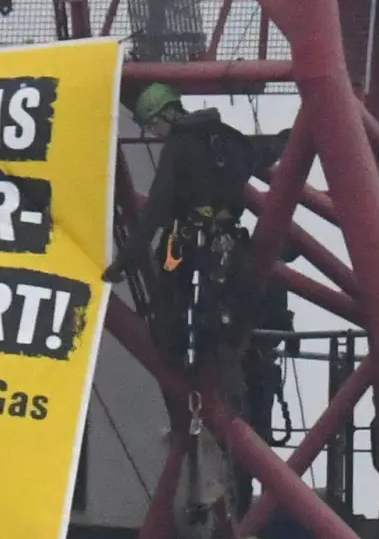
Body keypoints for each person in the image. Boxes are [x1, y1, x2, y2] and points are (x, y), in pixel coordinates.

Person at [102, 83, 289, 367]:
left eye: (153, 125)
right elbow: (263, 152)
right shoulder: (228, 139)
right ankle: (220, 358)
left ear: (166, 116)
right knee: (225, 313)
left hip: (186, 242)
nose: (154, 133)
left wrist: (123, 264)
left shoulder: (178, 148)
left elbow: (155, 211)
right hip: (227, 246)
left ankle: (179, 362)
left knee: (168, 308)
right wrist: (290, 138)